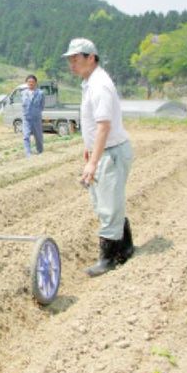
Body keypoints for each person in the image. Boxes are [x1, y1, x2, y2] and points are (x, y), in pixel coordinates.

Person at [63, 38, 134, 277]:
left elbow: (104, 125)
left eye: (75, 59)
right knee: (107, 202)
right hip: (103, 150)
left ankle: (109, 258)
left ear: (90, 57)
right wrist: (89, 147)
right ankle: (125, 248)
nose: (71, 64)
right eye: (70, 60)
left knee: (108, 206)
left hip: (110, 153)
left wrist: (93, 162)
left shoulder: (100, 84)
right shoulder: (89, 82)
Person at [21, 74, 45, 156]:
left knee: (38, 136)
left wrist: (36, 112)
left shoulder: (40, 93)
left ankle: (40, 151)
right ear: (26, 83)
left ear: (35, 83)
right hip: (26, 118)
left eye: (32, 82)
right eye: (29, 82)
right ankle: (28, 154)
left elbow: (42, 106)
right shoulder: (23, 93)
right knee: (26, 136)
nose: (31, 83)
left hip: (36, 118)